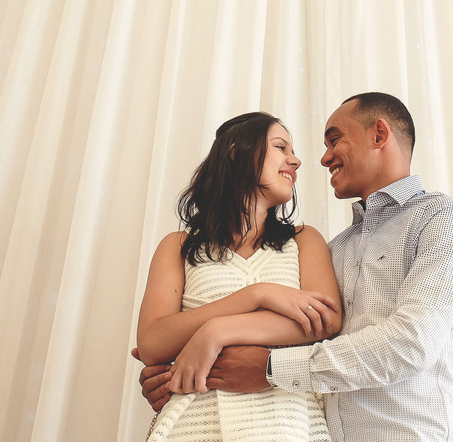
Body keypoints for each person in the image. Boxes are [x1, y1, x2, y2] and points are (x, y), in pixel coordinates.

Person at [139, 93, 453, 442]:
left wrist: (262, 363)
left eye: (334, 140)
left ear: (379, 134)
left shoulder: (440, 218)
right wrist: (172, 369)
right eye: (281, 147)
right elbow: (312, 331)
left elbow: (412, 341)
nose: (320, 158)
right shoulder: (339, 248)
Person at [135, 111, 343, 441]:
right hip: (194, 425)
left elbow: (325, 319)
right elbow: (152, 343)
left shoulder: (304, 240)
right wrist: (258, 295)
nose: (296, 160)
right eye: (281, 147)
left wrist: (216, 332)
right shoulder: (178, 246)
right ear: (237, 153)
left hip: (289, 425)